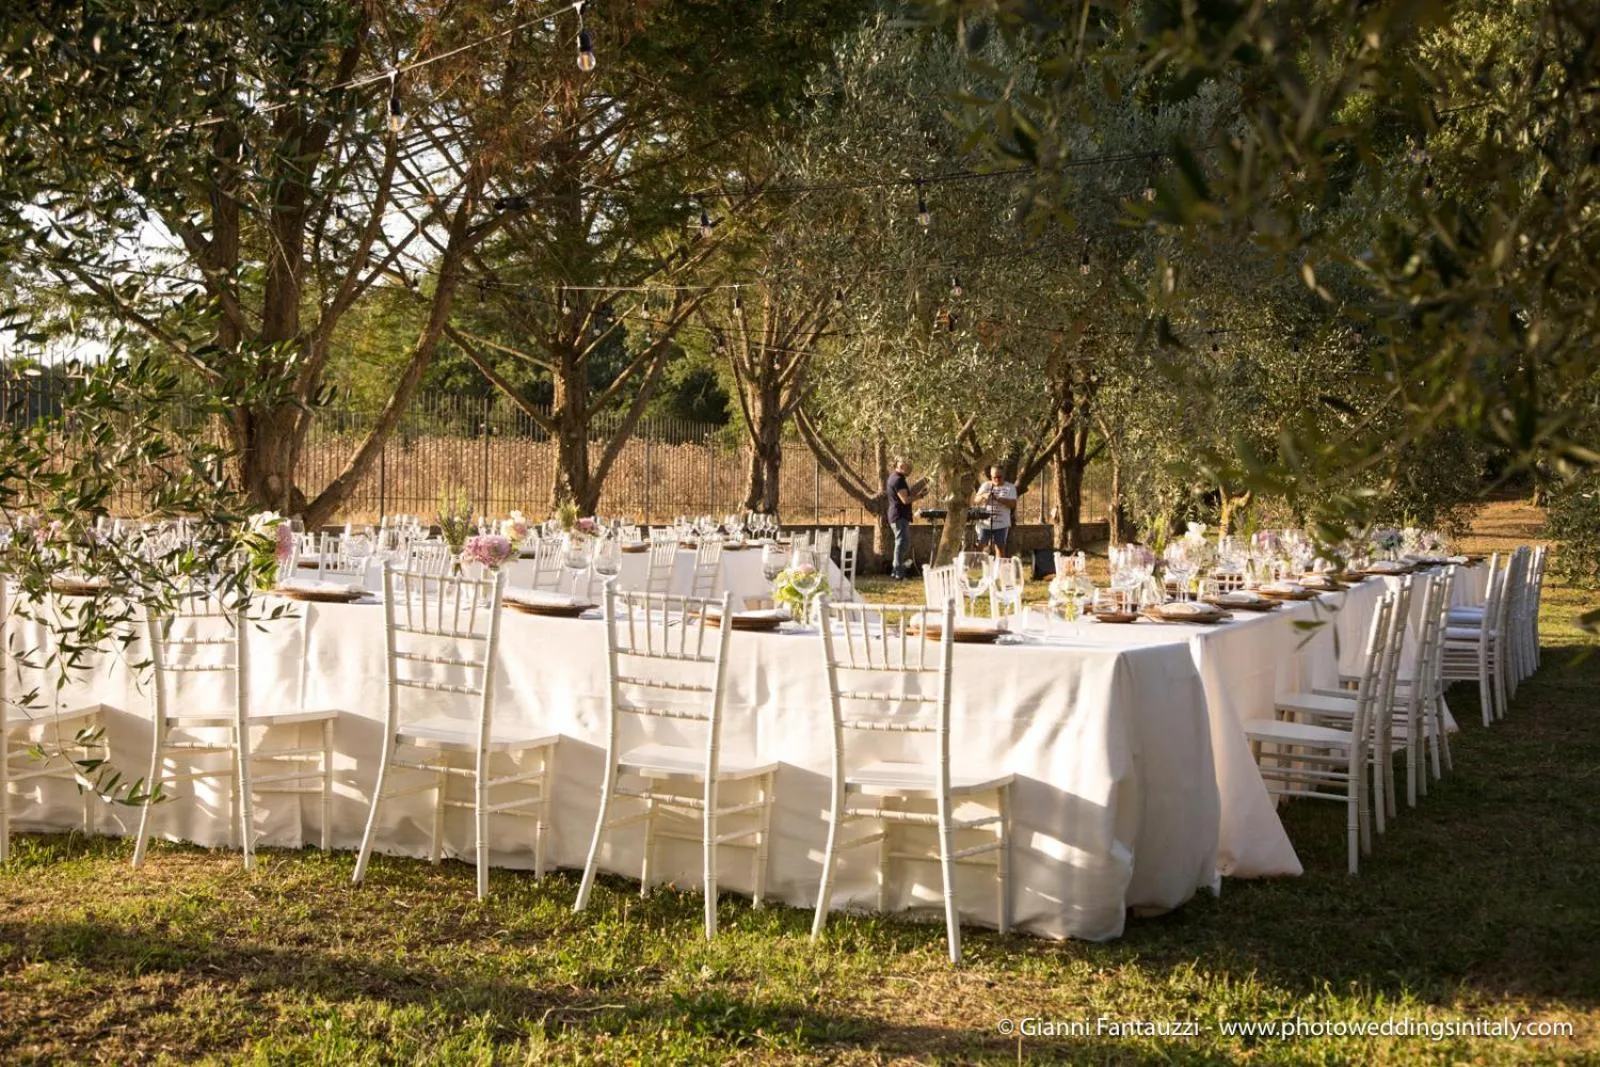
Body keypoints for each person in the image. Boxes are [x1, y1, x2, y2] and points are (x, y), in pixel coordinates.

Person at [884, 457, 926, 580]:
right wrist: (921, 496)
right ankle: (898, 572)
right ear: (902, 467)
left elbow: (908, 493)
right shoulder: (898, 480)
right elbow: (905, 499)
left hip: (897, 515)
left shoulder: (896, 478)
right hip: (899, 516)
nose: (910, 471)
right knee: (902, 543)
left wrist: (923, 482)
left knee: (902, 543)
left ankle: (896, 571)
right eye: (909, 469)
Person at [972, 464, 1018, 557]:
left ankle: (1000, 567)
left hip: (1001, 524)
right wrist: (983, 497)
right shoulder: (986, 485)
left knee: (1000, 547)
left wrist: (999, 499)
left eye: (999, 477)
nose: (996, 479)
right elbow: (975, 500)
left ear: (1003, 475)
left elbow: (1013, 504)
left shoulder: (1010, 487)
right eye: (994, 477)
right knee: (980, 544)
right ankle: (977, 565)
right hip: (985, 523)